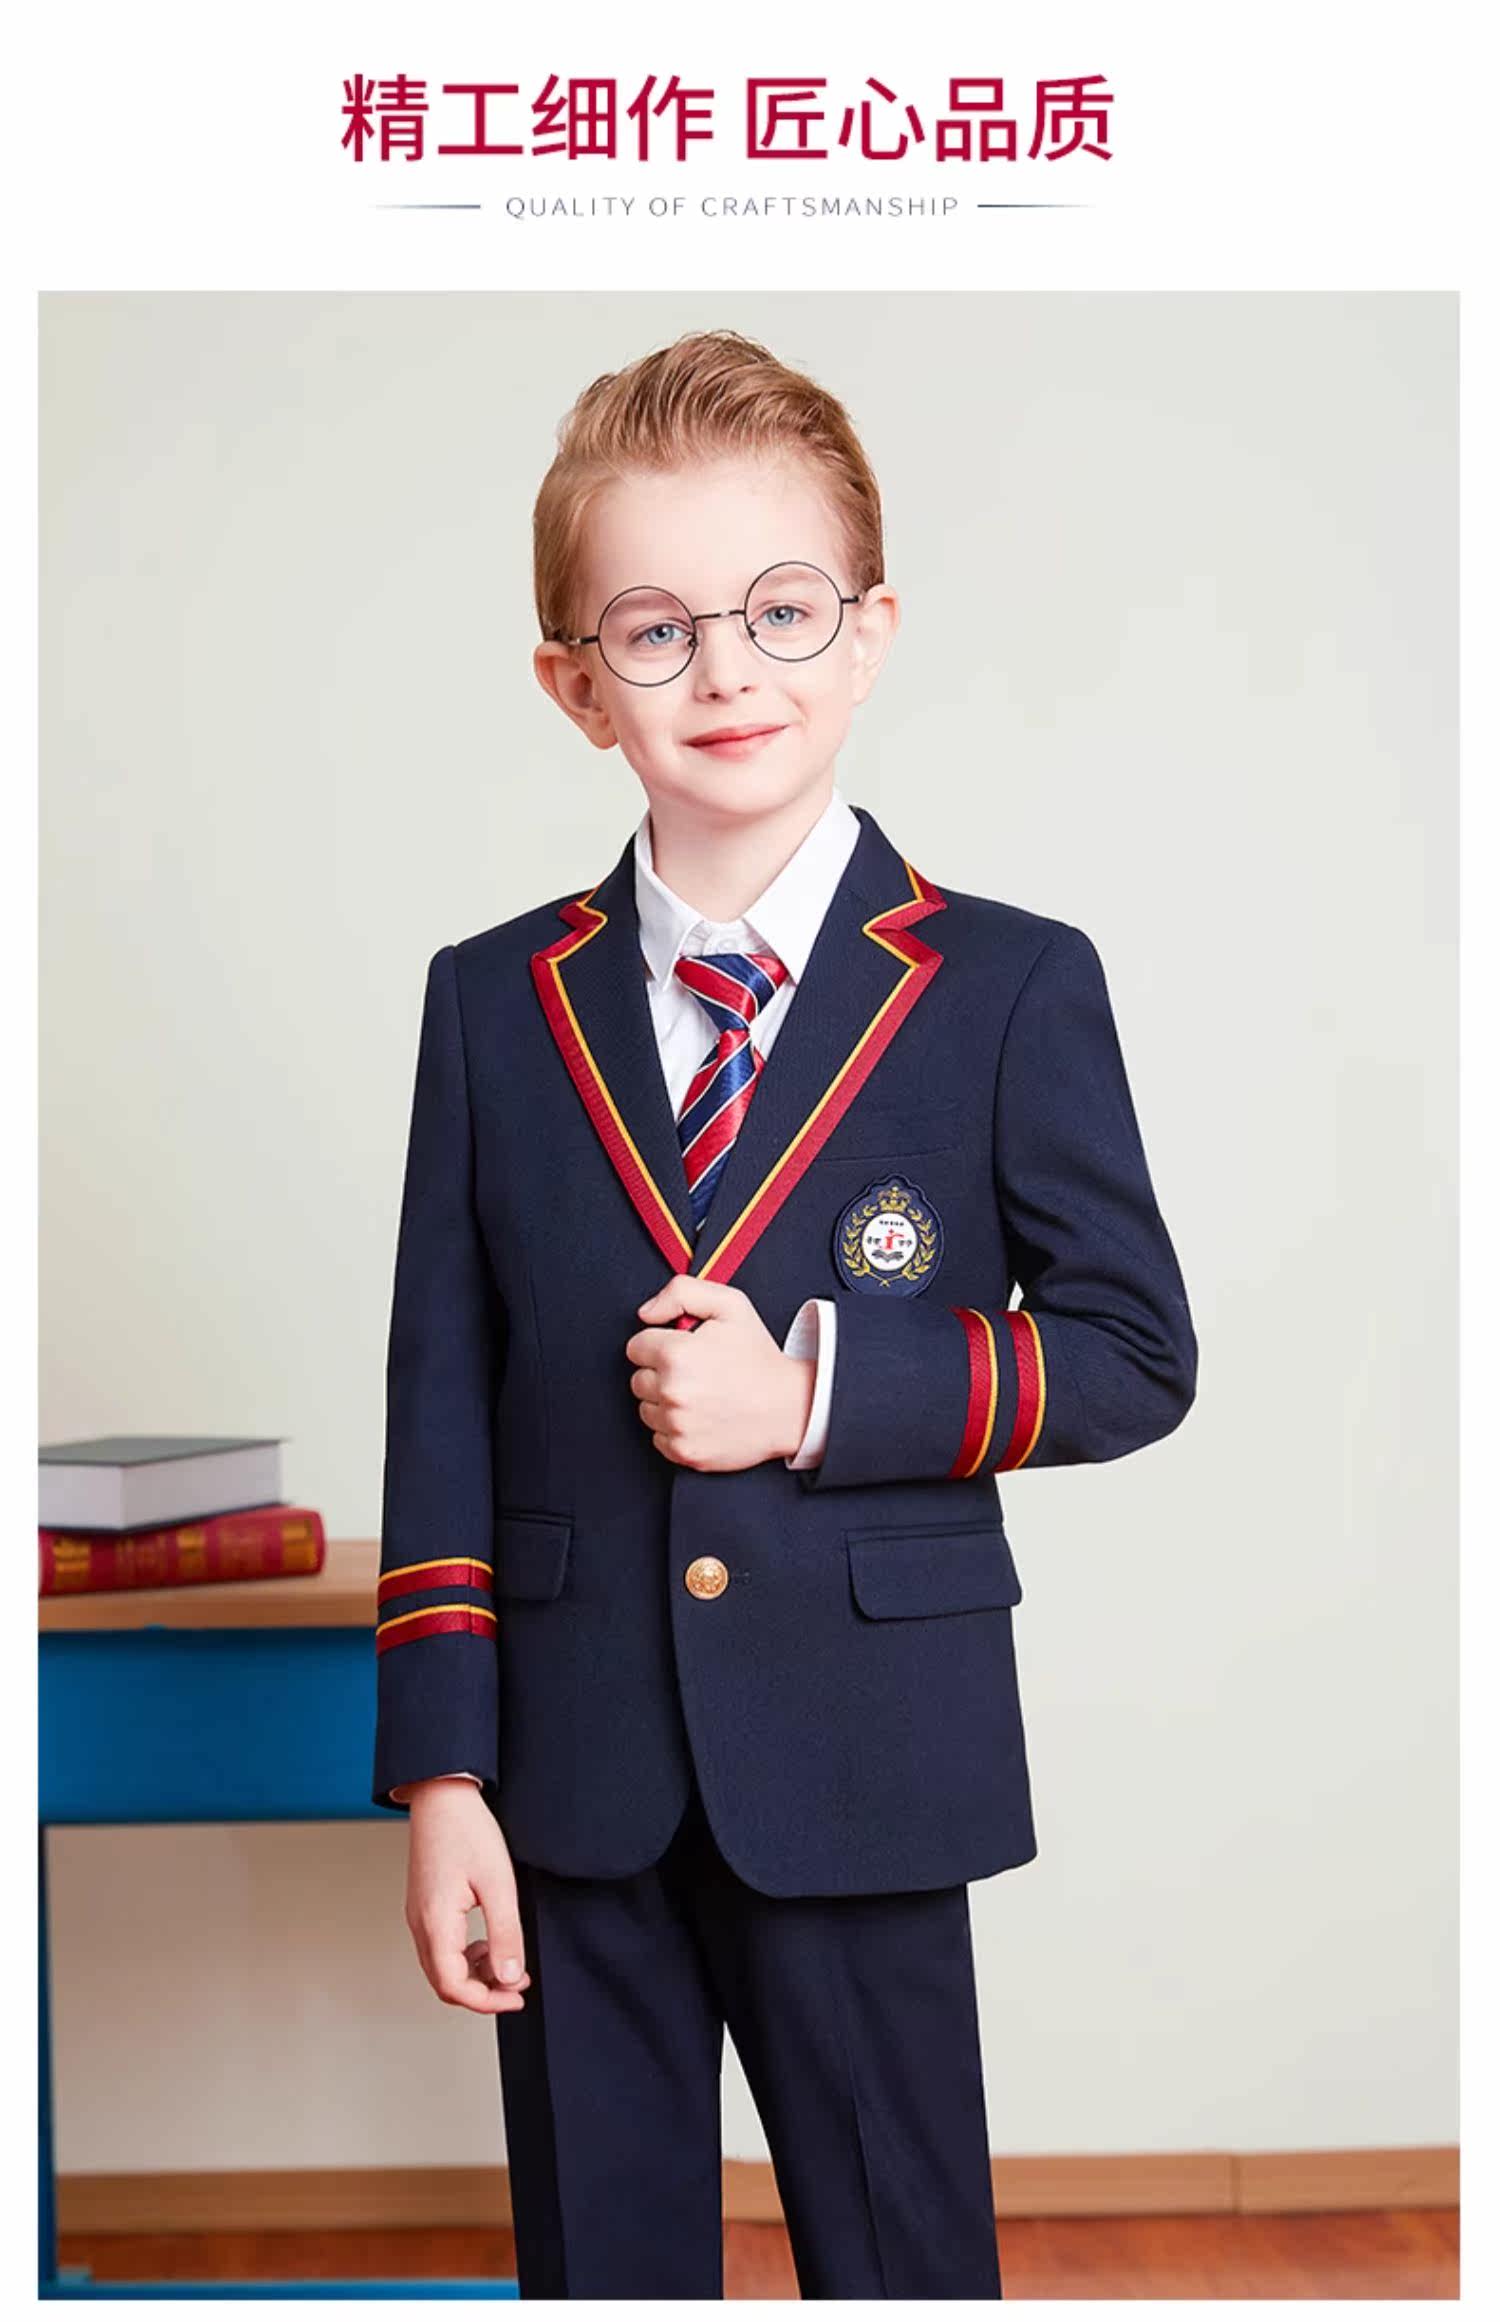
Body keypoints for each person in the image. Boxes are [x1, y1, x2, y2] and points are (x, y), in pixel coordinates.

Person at [371, 328, 1198, 2300]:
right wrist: (443, 1775)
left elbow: (1133, 1351)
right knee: (603, 2267)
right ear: (577, 686)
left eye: (781, 609)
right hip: (572, 1775)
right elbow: (440, 1397)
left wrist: (816, 1393)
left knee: (904, 2263)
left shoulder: (1008, 985)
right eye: (655, 630)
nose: (726, 669)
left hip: (867, 1756)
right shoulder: (492, 1003)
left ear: (870, 632)